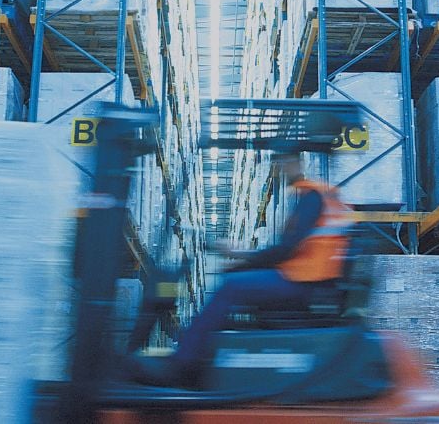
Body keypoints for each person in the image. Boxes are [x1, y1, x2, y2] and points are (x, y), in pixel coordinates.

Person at [131, 150, 353, 387]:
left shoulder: (311, 197)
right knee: (235, 279)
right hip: (308, 280)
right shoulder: (315, 196)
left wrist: (243, 256)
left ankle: (182, 364)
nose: (279, 170)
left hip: (306, 283)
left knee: (231, 287)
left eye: (282, 163)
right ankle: (208, 356)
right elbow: (289, 251)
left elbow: (286, 251)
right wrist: (242, 261)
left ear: (296, 162)